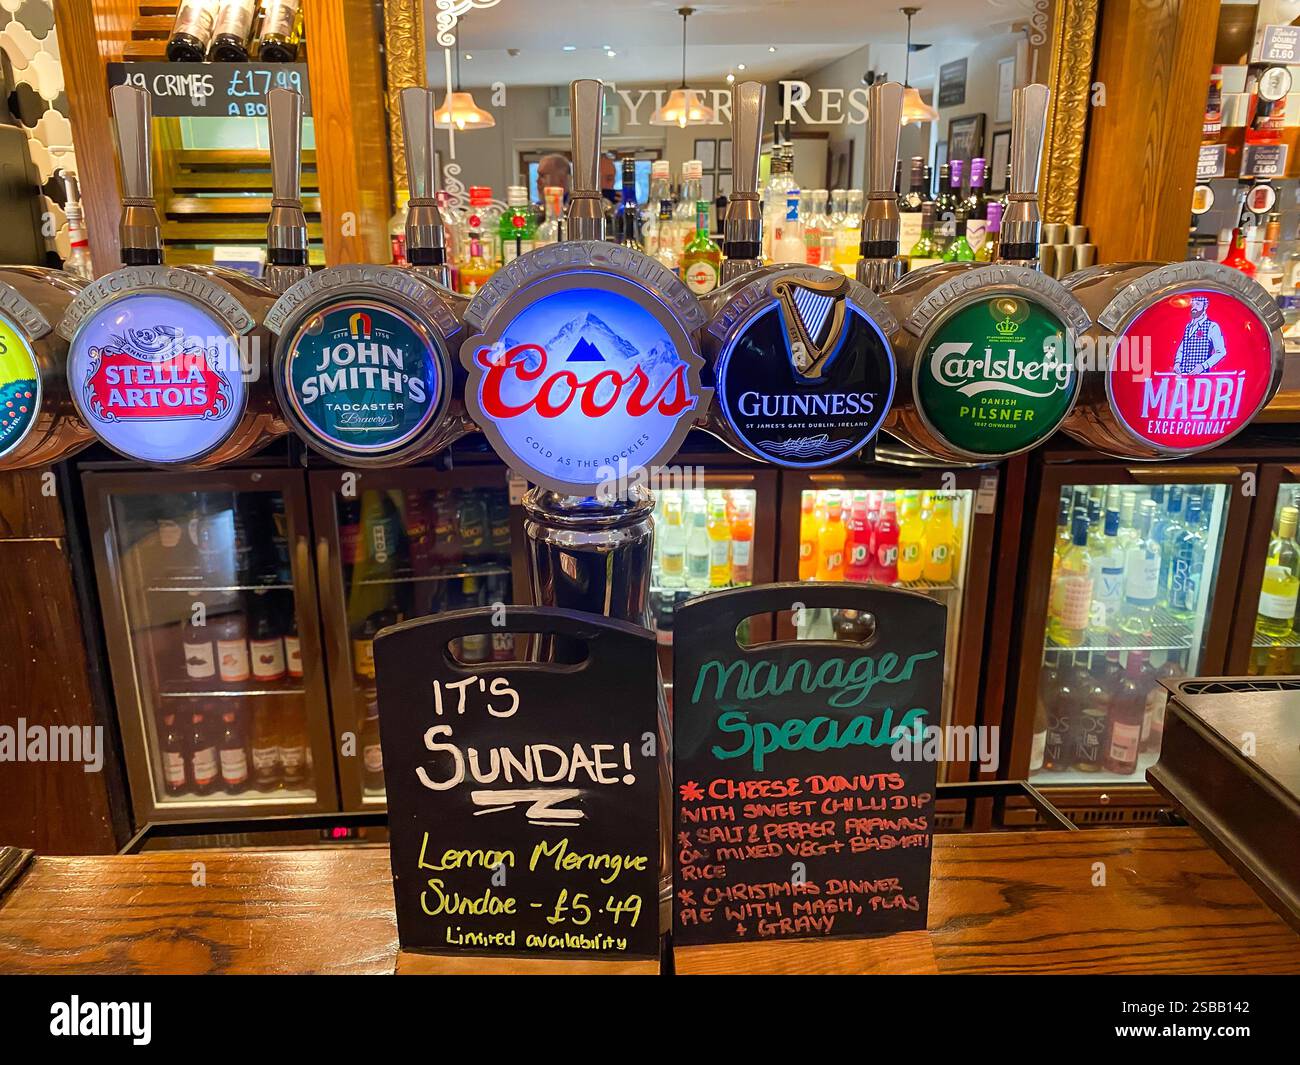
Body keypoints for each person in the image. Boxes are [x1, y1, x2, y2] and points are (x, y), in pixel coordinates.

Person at [1173, 294, 1227, 374]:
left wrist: (1203, 366)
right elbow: (1182, 348)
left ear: (1205, 306)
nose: (1194, 307)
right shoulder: (1188, 326)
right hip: (1184, 377)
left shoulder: (1212, 326)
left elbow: (1221, 352)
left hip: (1202, 379)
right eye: (1193, 304)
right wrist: (1177, 363)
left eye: (1198, 304)